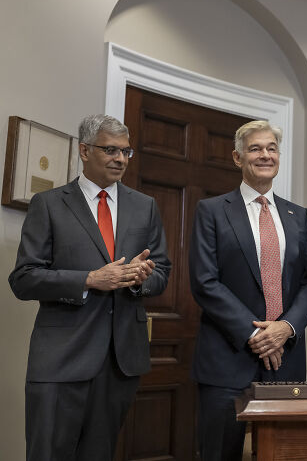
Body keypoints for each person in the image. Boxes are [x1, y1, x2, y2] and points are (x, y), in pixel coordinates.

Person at [8, 114, 171, 461]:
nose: (120, 159)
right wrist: (88, 279)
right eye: (110, 150)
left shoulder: (146, 207)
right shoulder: (49, 204)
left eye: (127, 152)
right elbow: (23, 278)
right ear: (84, 150)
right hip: (61, 359)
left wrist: (140, 279)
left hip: (120, 361)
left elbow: (162, 273)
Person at [189, 120, 307, 461]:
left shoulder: (300, 217)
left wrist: (284, 329)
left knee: (282, 453)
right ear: (237, 158)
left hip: (286, 360)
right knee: (220, 453)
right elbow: (205, 282)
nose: (265, 155)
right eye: (255, 148)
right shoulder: (212, 211)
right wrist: (257, 335)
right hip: (226, 359)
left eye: (272, 149)